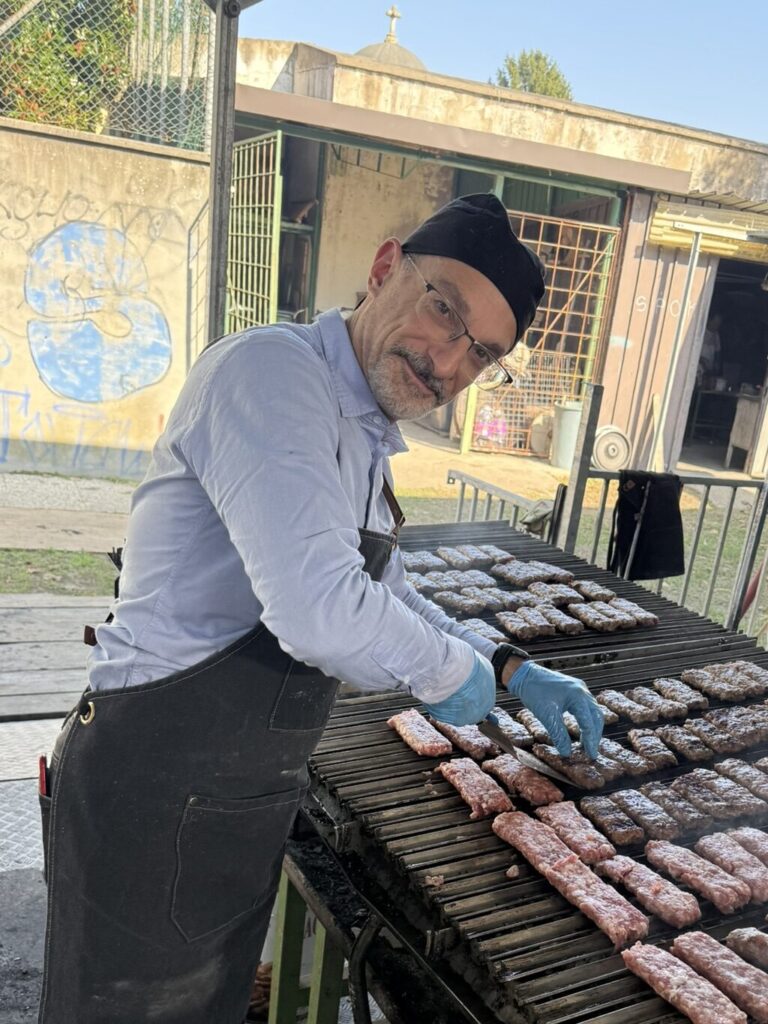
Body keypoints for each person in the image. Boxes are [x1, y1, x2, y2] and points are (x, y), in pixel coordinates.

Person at [38, 193, 604, 1024]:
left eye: (481, 353)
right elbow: (319, 608)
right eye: (444, 310)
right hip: (153, 794)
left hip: (236, 803)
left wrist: (509, 667)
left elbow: (388, 590)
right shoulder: (271, 375)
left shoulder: (361, 431)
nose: (449, 360)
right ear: (383, 269)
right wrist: (448, 673)